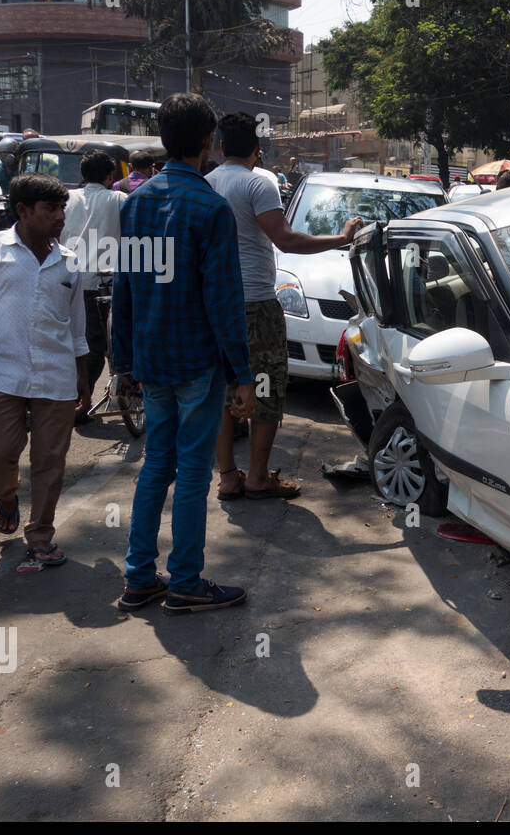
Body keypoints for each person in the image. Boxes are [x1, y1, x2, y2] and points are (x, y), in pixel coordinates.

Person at [112, 93, 256, 614]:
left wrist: (122, 359)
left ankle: (139, 577)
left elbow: (124, 288)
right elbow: (223, 300)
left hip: (152, 358)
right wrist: (243, 373)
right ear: (208, 141)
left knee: (156, 464)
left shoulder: (136, 203)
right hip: (198, 361)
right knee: (193, 473)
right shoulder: (210, 209)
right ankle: (187, 582)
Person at [205, 112, 362, 502]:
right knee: (267, 386)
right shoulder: (260, 181)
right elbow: (286, 240)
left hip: (216, 305)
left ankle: (227, 477)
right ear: (257, 149)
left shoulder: (206, 183)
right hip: (257, 303)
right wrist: (340, 238)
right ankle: (257, 477)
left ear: (221, 146)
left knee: (224, 391)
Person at [0, 173, 90, 569]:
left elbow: (76, 328)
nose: (61, 216)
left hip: (57, 374)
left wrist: (83, 376)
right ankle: (6, 495)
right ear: (23, 211)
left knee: (50, 460)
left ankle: (41, 535)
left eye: (63, 208)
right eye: (51, 209)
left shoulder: (70, 261)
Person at [61, 150, 127, 399]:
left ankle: (75, 398)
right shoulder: (119, 199)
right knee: (95, 346)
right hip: (103, 284)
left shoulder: (66, 198)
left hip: (67, 280)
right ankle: (80, 400)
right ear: (110, 176)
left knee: (76, 342)